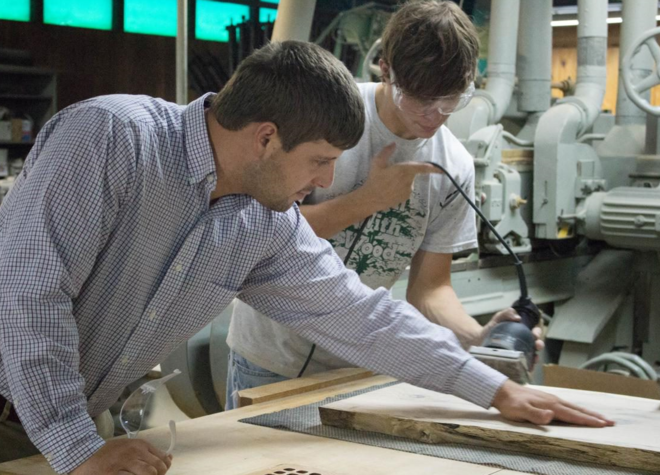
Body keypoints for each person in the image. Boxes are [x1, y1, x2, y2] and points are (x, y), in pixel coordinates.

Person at [0, 40, 610, 475]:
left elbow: (362, 314)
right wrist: (76, 444)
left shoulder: (262, 221)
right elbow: (30, 294)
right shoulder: (110, 139)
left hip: (59, 422)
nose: (326, 181)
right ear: (266, 138)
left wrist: (492, 387)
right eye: (321, 161)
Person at [226, 0, 541, 406]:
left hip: (364, 362)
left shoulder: (454, 166)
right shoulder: (326, 120)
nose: (433, 116)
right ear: (385, 69)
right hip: (270, 357)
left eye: (450, 101)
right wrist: (367, 200)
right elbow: (258, 233)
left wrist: (475, 336)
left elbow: (430, 290)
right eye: (419, 100)